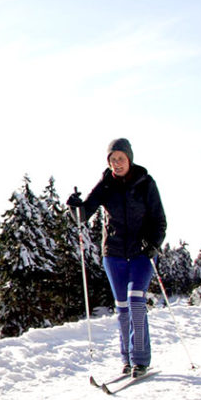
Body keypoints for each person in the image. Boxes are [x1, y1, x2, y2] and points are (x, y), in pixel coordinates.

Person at [68, 138, 167, 378]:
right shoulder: (106, 184)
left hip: (141, 253)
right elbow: (84, 214)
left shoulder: (145, 183)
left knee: (136, 303)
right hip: (113, 254)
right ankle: (127, 359)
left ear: (129, 159)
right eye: (112, 160)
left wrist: (153, 243)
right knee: (122, 307)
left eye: (120, 158)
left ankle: (140, 359)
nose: (117, 163)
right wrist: (74, 207)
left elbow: (159, 219)